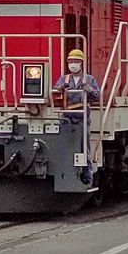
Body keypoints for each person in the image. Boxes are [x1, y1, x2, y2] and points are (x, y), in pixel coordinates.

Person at [54, 48, 100, 185]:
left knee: (84, 147)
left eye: (76, 61)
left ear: (82, 63)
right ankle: (64, 172)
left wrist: (89, 89)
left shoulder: (89, 79)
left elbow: (97, 95)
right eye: (71, 61)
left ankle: (87, 177)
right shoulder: (64, 78)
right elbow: (55, 92)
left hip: (82, 117)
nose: (73, 63)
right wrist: (60, 89)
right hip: (66, 117)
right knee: (65, 145)